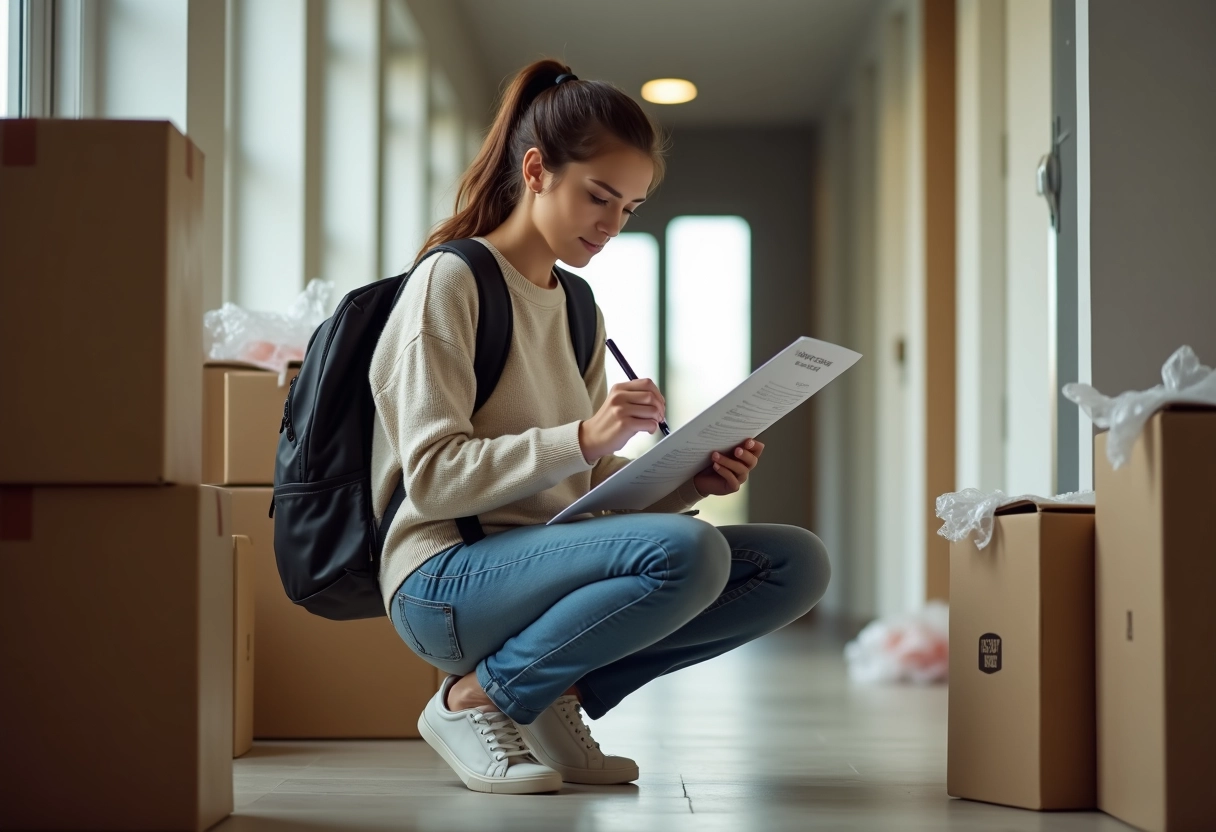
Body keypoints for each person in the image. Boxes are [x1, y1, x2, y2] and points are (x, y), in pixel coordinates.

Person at [369, 58, 831, 796]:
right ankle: (470, 701)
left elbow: (583, 494)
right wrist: (584, 436)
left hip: (541, 566)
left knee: (794, 564)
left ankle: (554, 698)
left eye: (630, 208)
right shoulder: (451, 281)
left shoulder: (579, 308)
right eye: (600, 197)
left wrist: (691, 482)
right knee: (690, 556)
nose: (612, 225)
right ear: (536, 171)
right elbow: (431, 478)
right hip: (445, 580)